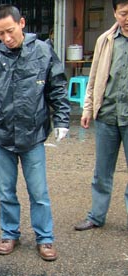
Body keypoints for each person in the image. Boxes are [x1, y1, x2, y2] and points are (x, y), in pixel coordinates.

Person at [0, 4, 70, 261]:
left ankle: (45, 238)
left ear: (22, 23)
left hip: (33, 134)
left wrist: (61, 120)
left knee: (38, 192)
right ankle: (9, 233)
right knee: (6, 191)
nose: (6, 38)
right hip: (2, 136)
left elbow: (57, 87)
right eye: (0, 33)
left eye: (10, 31)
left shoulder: (43, 52)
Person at [74, 0, 128, 232]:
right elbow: (94, 77)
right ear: (115, 13)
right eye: (124, 13)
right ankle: (96, 216)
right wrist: (87, 109)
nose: (127, 18)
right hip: (107, 114)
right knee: (102, 172)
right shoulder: (105, 40)